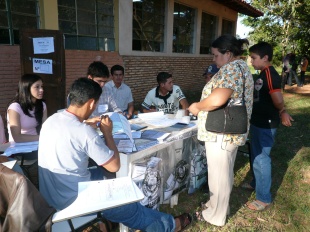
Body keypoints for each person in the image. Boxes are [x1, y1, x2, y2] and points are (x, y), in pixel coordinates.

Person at [38, 78, 191, 232]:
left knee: (105, 174)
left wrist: (85, 123)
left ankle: (113, 216)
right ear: (91, 103)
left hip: (51, 195)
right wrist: (107, 134)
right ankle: (170, 225)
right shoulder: (84, 133)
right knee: (131, 209)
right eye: (95, 104)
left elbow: (71, 132)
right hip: (75, 201)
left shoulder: (51, 120)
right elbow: (114, 166)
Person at [188, 35, 253, 226]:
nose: (213, 59)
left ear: (228, 54)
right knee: (223, 174)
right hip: (229, 131)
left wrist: (198, 106)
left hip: (222, 133)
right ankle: (217, 206)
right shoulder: (241, 67)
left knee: (219, 176)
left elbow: (218, 99)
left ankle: (216, 216)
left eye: (216, 55)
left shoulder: (232, 68)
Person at [246, 42, 293, 211]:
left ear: (265, 58)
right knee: (255, 155)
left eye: (253, 58)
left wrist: (282, 111)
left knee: (261, 158)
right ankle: (255, 182)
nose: (251, 61)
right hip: (257, 122)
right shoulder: (262, 73)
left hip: (265, 124)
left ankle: (264, 198)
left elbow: (278, 99)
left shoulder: (271, 75)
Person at [7, 74, 47, 143]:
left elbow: (45, 128)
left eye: (42, 86)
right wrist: (43, 137)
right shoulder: (15, 107)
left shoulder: (42, 105)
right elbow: (17, 138)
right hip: (18, 147)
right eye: (37, 87)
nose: (41, 90)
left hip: (36, 143)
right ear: (27, 88)